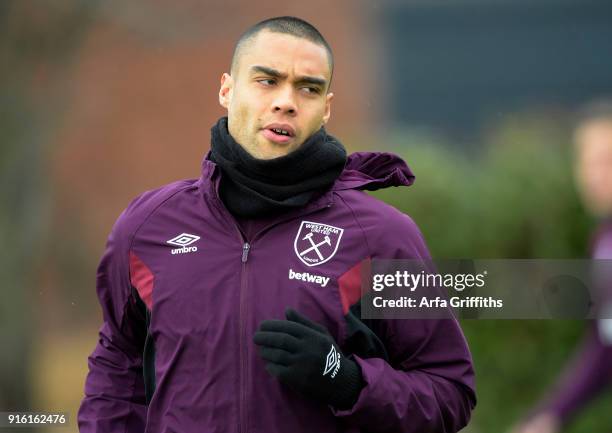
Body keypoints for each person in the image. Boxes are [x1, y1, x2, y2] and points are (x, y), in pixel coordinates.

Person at [77, 16, 476, 433]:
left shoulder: (382, 237)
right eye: (267, 81)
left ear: (326, 109)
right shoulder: (148, 226)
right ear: (226, 90)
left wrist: (346, 381)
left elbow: (449, 392)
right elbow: (117, 364)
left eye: (308, 88)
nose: (287, 101)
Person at [511, 100, 612, 433]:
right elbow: (603, 343)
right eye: (584, 161)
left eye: (605, 161)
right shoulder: (602, 242)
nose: (592, 175)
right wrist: (550, 416)